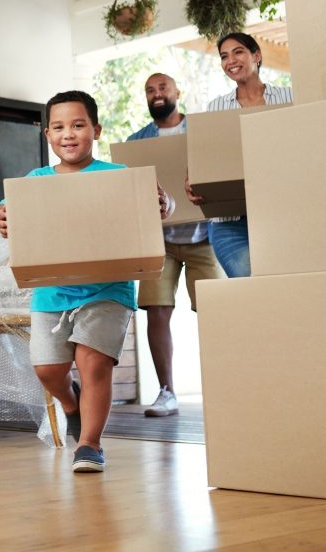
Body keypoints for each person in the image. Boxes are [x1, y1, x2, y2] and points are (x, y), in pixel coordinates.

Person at [0, 90, 173, 474]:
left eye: (78, 125)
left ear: (96, 129)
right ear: (47, 136)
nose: (68, 134)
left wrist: (164, 205)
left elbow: (157, 204)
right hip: (52, 290)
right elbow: (7, 210)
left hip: (108, 288)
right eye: (58, 127)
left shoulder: (116, 176)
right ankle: (71, 404)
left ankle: (90, 445)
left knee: (93, 364)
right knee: (47, 370)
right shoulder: (36, 180)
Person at [127, 73, 224, 418]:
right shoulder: (137, 141)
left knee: (215, 311)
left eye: (162, 88)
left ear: (177, 92)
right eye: (149, 90)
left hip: (204, 236)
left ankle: (223, 387)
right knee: (157, 310)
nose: (156, 94)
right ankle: (166, 391)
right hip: (161, 240)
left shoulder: (199, 131)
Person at [185, 32, 293, 278]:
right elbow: (207, 155)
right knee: (251, 285)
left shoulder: (289, 98)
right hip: (229, 221)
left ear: (256, 55)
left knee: (284, 283)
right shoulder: (216, 107)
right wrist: (192, 178)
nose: (230, 60)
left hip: (280, 213)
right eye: (224, 56)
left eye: (238, 51)